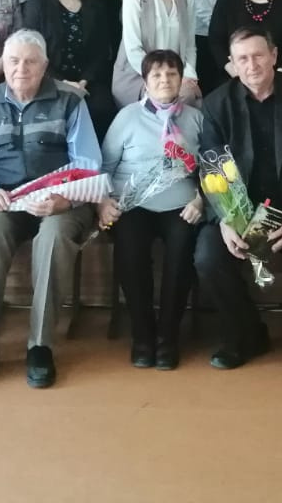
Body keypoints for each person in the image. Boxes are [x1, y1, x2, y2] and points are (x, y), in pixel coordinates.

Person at [0, 29, 102, 393]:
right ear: (4, 64)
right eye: (14, 61)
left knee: (53, 237)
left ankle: (40, 345)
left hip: (62, 203)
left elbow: (88, 163)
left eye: (30, 62)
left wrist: (64, 199)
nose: (21, 69)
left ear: (45, 65)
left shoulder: (70, 101)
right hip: (7, 201)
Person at [195, 27, 282, 380]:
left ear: (274, 56)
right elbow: (212, 168)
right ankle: (247, 335)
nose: (252, 65)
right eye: (242, 59)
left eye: (258, 55)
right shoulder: (216, 104)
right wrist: (225, 218)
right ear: (232, 64)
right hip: (239, 211)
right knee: (207, 255)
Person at [98, 49, 204, 369]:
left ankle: (168, 336)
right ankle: (143, 336)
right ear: (145, 82)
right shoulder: (127, 117)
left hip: (182, 204)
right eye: (156, 74)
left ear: (181, 79)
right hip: (132, 204)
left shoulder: (196, 118)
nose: (164, 80)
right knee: (130, 248)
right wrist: (103, 202)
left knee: (183, 247)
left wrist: (201, 199)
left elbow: (213, 167)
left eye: (171, 73)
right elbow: (104, 165)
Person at [21, 0, 118, 137]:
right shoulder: (35, 7)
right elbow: (31, 54)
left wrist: (83, 82)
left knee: (103, 108)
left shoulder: (96, 6)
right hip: (48, 79)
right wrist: (62, 82)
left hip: (88, 81)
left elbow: (101, 52)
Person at [113, 0, 201, 107]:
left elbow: (190, 46)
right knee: (166, 100)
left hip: (176, 75)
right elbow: (133, 50)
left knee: (188, 96)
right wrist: (160, 78)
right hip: (140, 76)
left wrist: (188, 76)